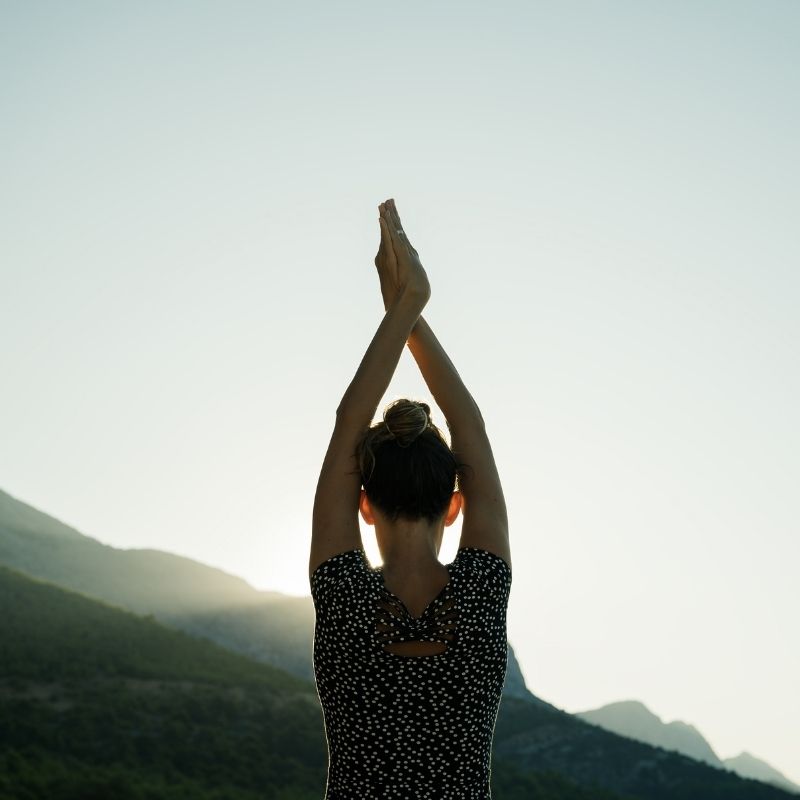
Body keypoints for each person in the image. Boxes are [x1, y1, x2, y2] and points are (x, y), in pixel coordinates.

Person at [308, 198, 512, 799]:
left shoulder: (342, 594)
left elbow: (350, 421)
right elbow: (468, 423)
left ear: (363, 503)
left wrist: (405, 308)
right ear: (455, 504)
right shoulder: (482, 591)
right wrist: (406, 307)